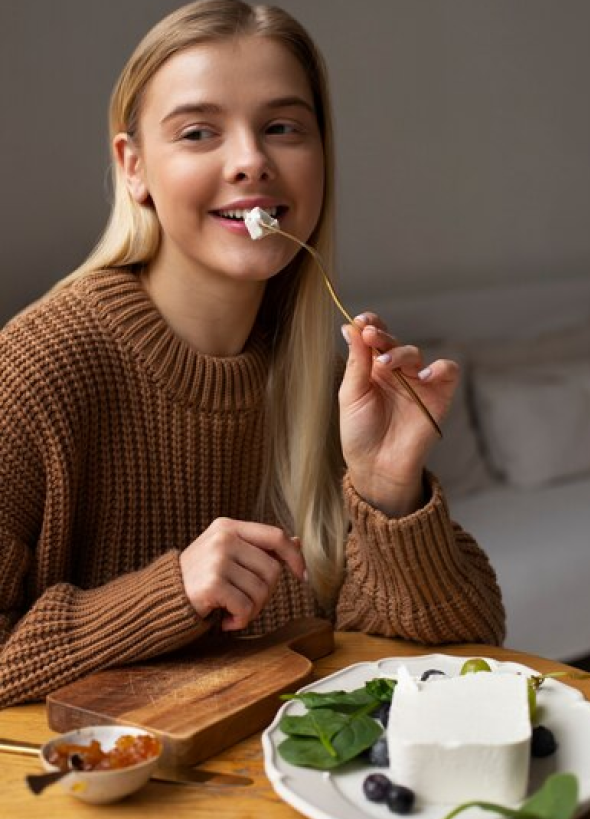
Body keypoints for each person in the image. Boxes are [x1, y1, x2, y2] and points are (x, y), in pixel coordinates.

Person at [0, 0, 504, 708]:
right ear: (134, 166)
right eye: (199, 132)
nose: (251, 161)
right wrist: (168, 593)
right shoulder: (36, 368)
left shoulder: (330, 385)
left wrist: (389, 493)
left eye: (282, 127)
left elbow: (460, 668)